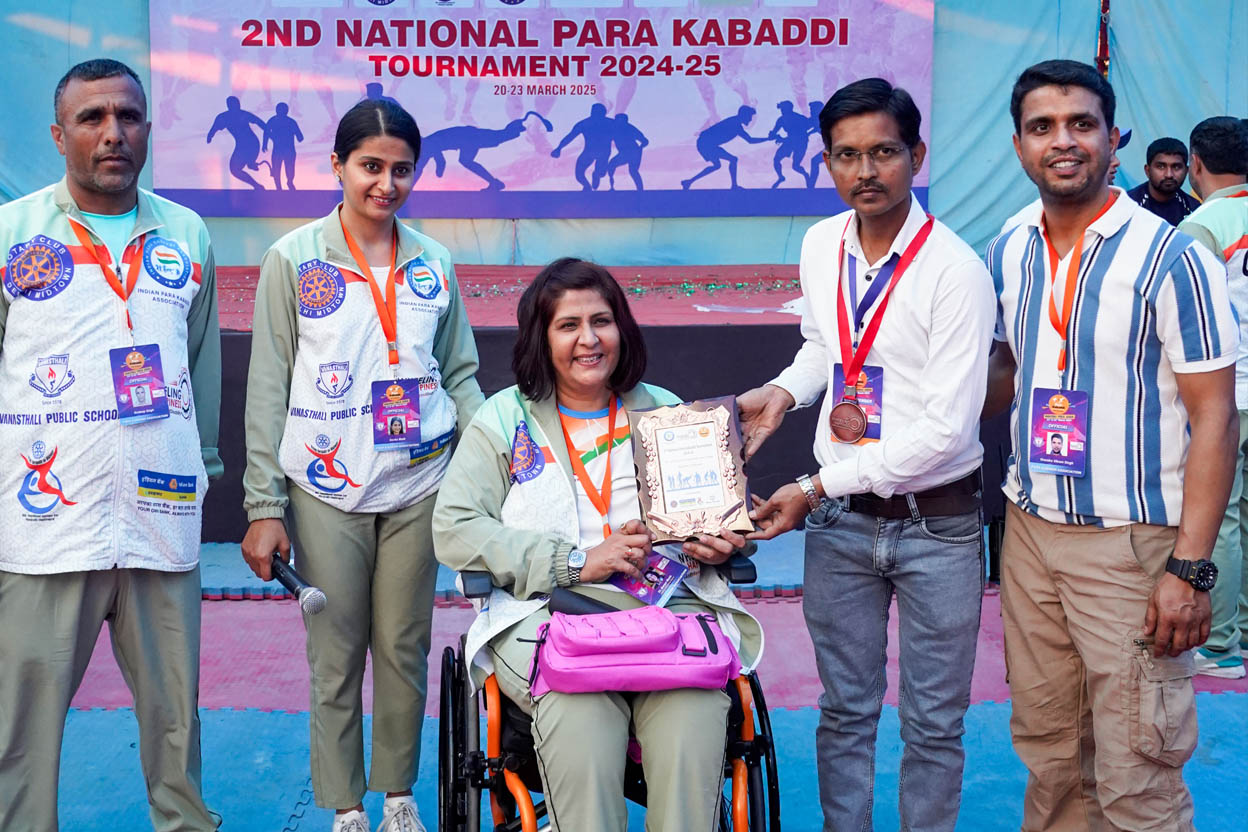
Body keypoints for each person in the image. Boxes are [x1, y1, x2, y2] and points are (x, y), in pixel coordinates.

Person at [983, 60, 1238, 831]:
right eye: (1042, 127)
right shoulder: (1009, 247)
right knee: (1051, 756)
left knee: (1138, 772)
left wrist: (1189, 570)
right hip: (1029, 534)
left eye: (1081, 124)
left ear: (1113, 138)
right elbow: (1004, 373)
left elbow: (1216, 418)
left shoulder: (1174, 258)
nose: (1062, 141)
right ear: (1019, 145)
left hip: (1131, 545)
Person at [739, 78, 994, 832]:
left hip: (937, 526)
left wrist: (816, 485)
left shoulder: (954, 270)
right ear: (827, 162)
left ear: (917, 155)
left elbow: (946, 432)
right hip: (841, 526)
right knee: (844, 710)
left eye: (883, 152)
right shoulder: (822, 243)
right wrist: (785, 392)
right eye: (846, 155)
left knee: (934, 723)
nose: (865, 171)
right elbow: (824, 343)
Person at [431, 257, 763, 832]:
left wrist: (722, 541)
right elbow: (455, 527)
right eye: (568, 325)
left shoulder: (667, 410)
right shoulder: (503, 419)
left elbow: (721, 515)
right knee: (579, 721)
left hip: (669, 615)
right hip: (550, 615)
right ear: (541, 338)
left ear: (621, 329)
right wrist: (575, 561)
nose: (589, 339)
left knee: (693, 715)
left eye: (601, 321)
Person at [241, 98, 484, 832]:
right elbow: (268, 386)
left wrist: (503, 454)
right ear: (338, 166)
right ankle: (347, 807)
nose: (387, 184)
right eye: (371, 166)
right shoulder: (294, 259)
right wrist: (264, 505)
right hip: (326, 487)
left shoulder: (434, 263)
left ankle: (399, 798)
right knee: (336, 653)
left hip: (419, 483)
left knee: (405, 647)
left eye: (402, 169)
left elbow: (460, 374)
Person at [0, 58, 222, 832]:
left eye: (128, 116)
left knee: (177, 723)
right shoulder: (13, 233)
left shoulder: (186, 233)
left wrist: (205, 473)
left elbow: (201, 367)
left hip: (162, 513)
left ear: (148, 130)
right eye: (91, 118)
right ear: (59, 134)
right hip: (45, 524)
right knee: (20, 729)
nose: (112, 133)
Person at [1178, 116, 1248, 678]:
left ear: (1195, 164)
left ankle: (1221, 645)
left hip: (1228, 394)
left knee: (1219, 517)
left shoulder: (1202, 225)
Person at [681, 105, 770, 190]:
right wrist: (768, 139)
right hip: (706, 143)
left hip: (707, 143)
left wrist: (768, 139)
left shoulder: (736, 123)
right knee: (732, 160)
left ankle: (688, 182)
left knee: (718, 165)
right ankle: (734, 186)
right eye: (750, 117)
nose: (750, 120)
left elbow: (750, 140)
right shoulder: (735, 124)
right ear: (744, 115)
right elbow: (750, 140)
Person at [1126, 136, 1201, 225]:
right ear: (1147, 170)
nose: (1169, 175)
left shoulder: (1194, 210)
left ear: (1186, 171)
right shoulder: (1127, 205)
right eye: (1161, 167)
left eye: (1176, 167)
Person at [206, 95, 267, 190]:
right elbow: (214, 128)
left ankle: (250, 162)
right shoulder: (224, 117)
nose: (236, 107)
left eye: (237, 105)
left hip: (252, 144)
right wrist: (210, 135)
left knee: (238, 167)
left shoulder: (242, 114)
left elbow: (260, 123)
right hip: (242, 145)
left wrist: (270, 134)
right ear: (229, 106)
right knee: (235, 170)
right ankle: (256, 184)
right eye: (234, 105)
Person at [551, 103, 614, 191]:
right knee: (579, 174)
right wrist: (559, 148)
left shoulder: (611, 123)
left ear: (604, 113)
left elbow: (624, 134)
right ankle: (587, 186)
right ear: (592, 113)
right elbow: (570, 136)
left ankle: (596, 174)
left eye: (599, 113)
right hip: (590, 152)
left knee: (601, 173)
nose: (597, 116)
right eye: (595, 113)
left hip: (603, 153)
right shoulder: (585, 123)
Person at [263, 102, 303, 191]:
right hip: (285, 151)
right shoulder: (291, 122)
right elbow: (300, 138)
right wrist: (265, 143)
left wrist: (265, 143)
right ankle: (282, 186)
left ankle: (284, 184)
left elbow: (266, 133)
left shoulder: (273, 120)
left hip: (284, 151)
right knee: (280, 169)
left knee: (284, 169)